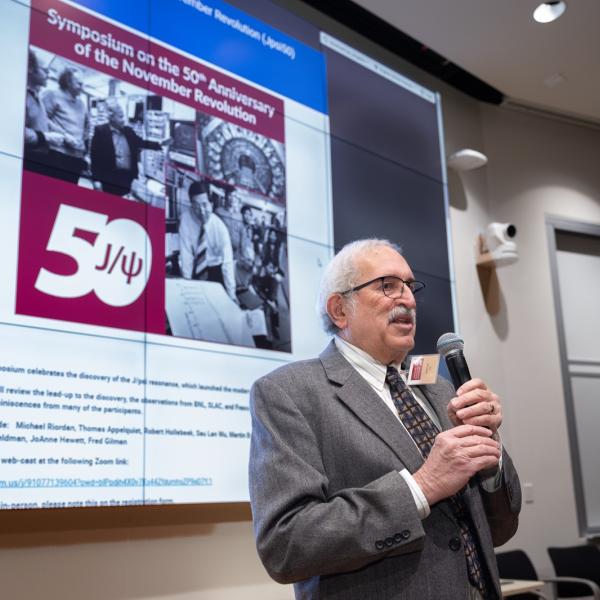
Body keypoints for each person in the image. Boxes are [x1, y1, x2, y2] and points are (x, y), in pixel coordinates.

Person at [249, 238, 521, 599]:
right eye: (387, 286)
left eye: (410, 286)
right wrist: (422, 487)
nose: (408, 299)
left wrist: (490, 452)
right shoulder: (289, 392)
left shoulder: (440, 391)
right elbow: (285, 546)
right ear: (339, 310)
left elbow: (499, 528)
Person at [90, 99, 164, 196]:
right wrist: (96, 180)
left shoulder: (128, 131)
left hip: (127, 178)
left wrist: (159, 144)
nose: (123, 119)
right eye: (120, 116)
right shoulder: (100, 131)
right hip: (109, 179)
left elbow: (141, 142)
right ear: (111, 117)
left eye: (123, 116)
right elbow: (95, 157)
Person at [178, 180, 236, 301]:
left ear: (211, 204)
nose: (202, 211)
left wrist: (231, 294)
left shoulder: (220, 228)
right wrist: (186, 285)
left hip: (216, 271)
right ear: (191, 205)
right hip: (197, 269)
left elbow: (227, 263)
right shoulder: (185, 220)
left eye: (204, 205)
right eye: (196, 207)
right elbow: (186, 254)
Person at [42, 66, 89, 184]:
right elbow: (42, 118)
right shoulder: (52, 95)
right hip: (58, 155)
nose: (83, 88)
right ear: (68, 81)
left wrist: (84, 147)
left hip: (77, 157)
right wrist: (65, 135)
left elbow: (85, 127)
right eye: (79, 84)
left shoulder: (81, 103)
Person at [23, 49, 65, 175]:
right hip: (28, 158)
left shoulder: (36, 95)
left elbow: (42, 118)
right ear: (30, 69)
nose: (49, 74)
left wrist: (63, 133)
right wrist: (47, 137)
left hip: (42, 156)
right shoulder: (22, 95)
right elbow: (17, 131)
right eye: (45, 70)